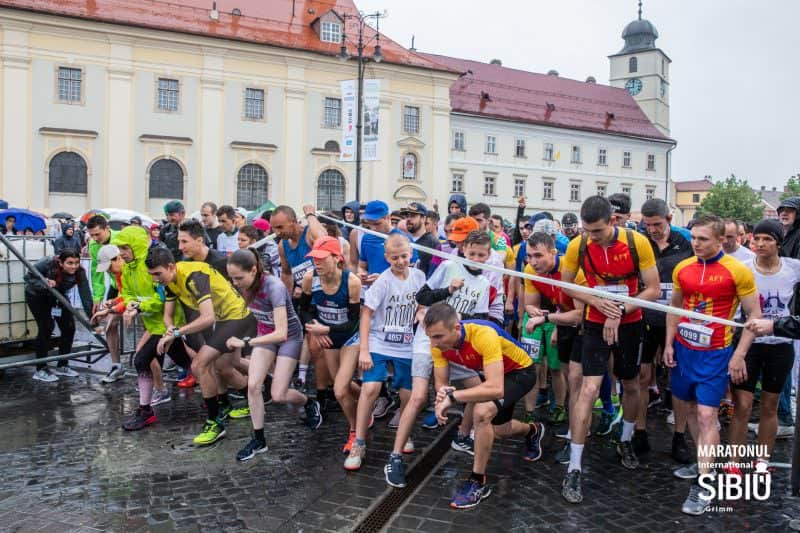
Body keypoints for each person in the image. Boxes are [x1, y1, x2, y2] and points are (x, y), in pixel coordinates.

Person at [559, 195, 660, 504]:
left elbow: (653, 288)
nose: (592, 237)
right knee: (588, 389)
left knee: (631, 383)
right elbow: (566, 284)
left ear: (613, 221)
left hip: (631, 319)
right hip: (593, 320)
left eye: (598, 231)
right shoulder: (579, 245)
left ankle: (626, 439)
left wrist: (619, 311)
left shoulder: (637, 242)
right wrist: (594, 301)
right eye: (587, 230)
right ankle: (575, 465)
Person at [663, 215, 760, 516]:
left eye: (703, 239)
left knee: (707, 415)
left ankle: (705, 483)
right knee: (691, 410)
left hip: (716, 354)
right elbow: (674, 308)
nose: (696, 244)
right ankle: (704, 459)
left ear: (721, 240)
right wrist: (668, 343)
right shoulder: (683, 267)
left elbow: (754, 318)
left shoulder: (737, 271)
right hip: (684, 349)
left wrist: (739, 354)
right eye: (693, 238)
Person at [425, 303, 542, 509]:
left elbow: (496, 388)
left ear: (457, 329)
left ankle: (478, 481)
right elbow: (441, 383)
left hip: (521, 372)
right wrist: (441, 397)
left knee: (481, 412)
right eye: (431, 337)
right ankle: (532, 430)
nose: (433, 344)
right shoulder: (438, 346)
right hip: (497, 375)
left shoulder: (483, 334)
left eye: (438, 337)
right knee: (499, 430)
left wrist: (452, 397)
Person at [147, 247, 256, 446]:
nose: (155, 279)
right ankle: (254, 396)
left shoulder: (192, 276)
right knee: (222, 367)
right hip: (225, 318)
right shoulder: (170, 279)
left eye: (157, 274)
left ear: (170, 267)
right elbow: (167, 315)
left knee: (199, 365)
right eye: (151, 275)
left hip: (238, 317)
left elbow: (207, 318)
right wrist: (170, 330)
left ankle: (215, 423)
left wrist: (178, 332)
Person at [226, 248, 322, 462]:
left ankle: (308, 402)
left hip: (289, 337)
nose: (235, 283)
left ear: (253, 271)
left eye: (239, 278)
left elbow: (282, 332)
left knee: (278, 395)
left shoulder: (274, 287)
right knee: (253, 386)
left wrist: (246, 342)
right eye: (231, 278)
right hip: (265, 334)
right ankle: (259, 439)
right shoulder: (242, 285)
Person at [344, 233, 425, 471]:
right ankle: (359, 441)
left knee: (408, 394)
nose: (400, 261)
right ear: (387, 257)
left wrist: (421, 314)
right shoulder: (383, 281)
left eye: (404, 256)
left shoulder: (419, 277)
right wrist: (365, 351)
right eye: (395, 258)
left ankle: (405, 431)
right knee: (370, 387)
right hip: (380, 340)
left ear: (411, 254)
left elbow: (423, 304)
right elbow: (366, 314)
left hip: (406, 343)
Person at [727, 220, 800, 472]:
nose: (760, 244)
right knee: (743, 406)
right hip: (749, 345)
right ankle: (733, 463)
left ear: (778, 242)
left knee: (770, 406)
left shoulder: (793, 269)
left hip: (780, 346)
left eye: (767, 239)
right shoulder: (743, 268)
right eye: (756, 239)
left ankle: (762, 461)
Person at [638, 199, 694, 462]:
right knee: (642, 375)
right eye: (648, 225)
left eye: (657, 225)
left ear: (669, 218)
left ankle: (679, 437)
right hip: (645, 317)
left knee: (677, 379)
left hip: (676, 318)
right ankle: (638, 431)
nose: (653, 230)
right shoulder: (640, 241)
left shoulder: (686, 242)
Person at [114, 226, 184, 430]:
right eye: (120, 248)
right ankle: (146, 410)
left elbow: (161, 297)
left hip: (171, 323)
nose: (122, 253)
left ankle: (228, 395)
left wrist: (139, 306)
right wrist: (130, 305)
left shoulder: (151, 265)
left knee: (192, 363)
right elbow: (126, 292)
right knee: (144, 360)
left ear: (136, 246)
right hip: (153, 326)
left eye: (125, 248)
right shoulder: (127, 268)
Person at [297, 237, 362, 453]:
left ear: (337, 258)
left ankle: (355, 432)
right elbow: (303, 310)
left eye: (322, 258)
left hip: (350, 337)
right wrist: (313, 325)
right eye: (314, 258)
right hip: (328, 337)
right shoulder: (309, 278)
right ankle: (366, 400)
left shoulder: (351, 282)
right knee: (339, 385)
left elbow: (354, 322)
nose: (317, 263)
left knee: (341, 391)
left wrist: (327, 330)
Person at [522, 232, 586, 428]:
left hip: (573, 320)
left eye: (538, 256)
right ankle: (529, 412)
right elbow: (529, 304)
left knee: (562, 370)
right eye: (530, 255)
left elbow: (579, 315)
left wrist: (549, 319)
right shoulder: (529, 270)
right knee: (530, 366)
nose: (533, 261)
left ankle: (563, 409)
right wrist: (534, 312)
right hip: (547, 316)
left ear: (553, 253)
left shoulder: (573, 270)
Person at [25, 249, 93, 382]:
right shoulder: (47, 263)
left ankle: (62, 365)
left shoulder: (80, 272)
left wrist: (92, 318)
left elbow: (85, 294)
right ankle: (41, 368)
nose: (73, 266)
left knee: (69, 327)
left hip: (58, 295)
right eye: (69, 263)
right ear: (61, 263)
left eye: (76, 263)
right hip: (37, 295)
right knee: (46, 327)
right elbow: (28, 277)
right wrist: (44, 282)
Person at [86, 215, 123, 383]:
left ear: (107, 228)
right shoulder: (93, 245)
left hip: (131, 286)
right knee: (110, 324)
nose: (94, 239)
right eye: (91, 235)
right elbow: (96, 272)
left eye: (97, 234)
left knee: (150, 326)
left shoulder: (122, 239)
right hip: (116, 288)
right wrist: (97, 297)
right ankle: (116, 366)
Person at [401, 202, 438, 276]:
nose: (408, 219)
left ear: (423, 218)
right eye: (407, 216)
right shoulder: (403, 240)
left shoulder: (432, 243)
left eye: (413, 216)